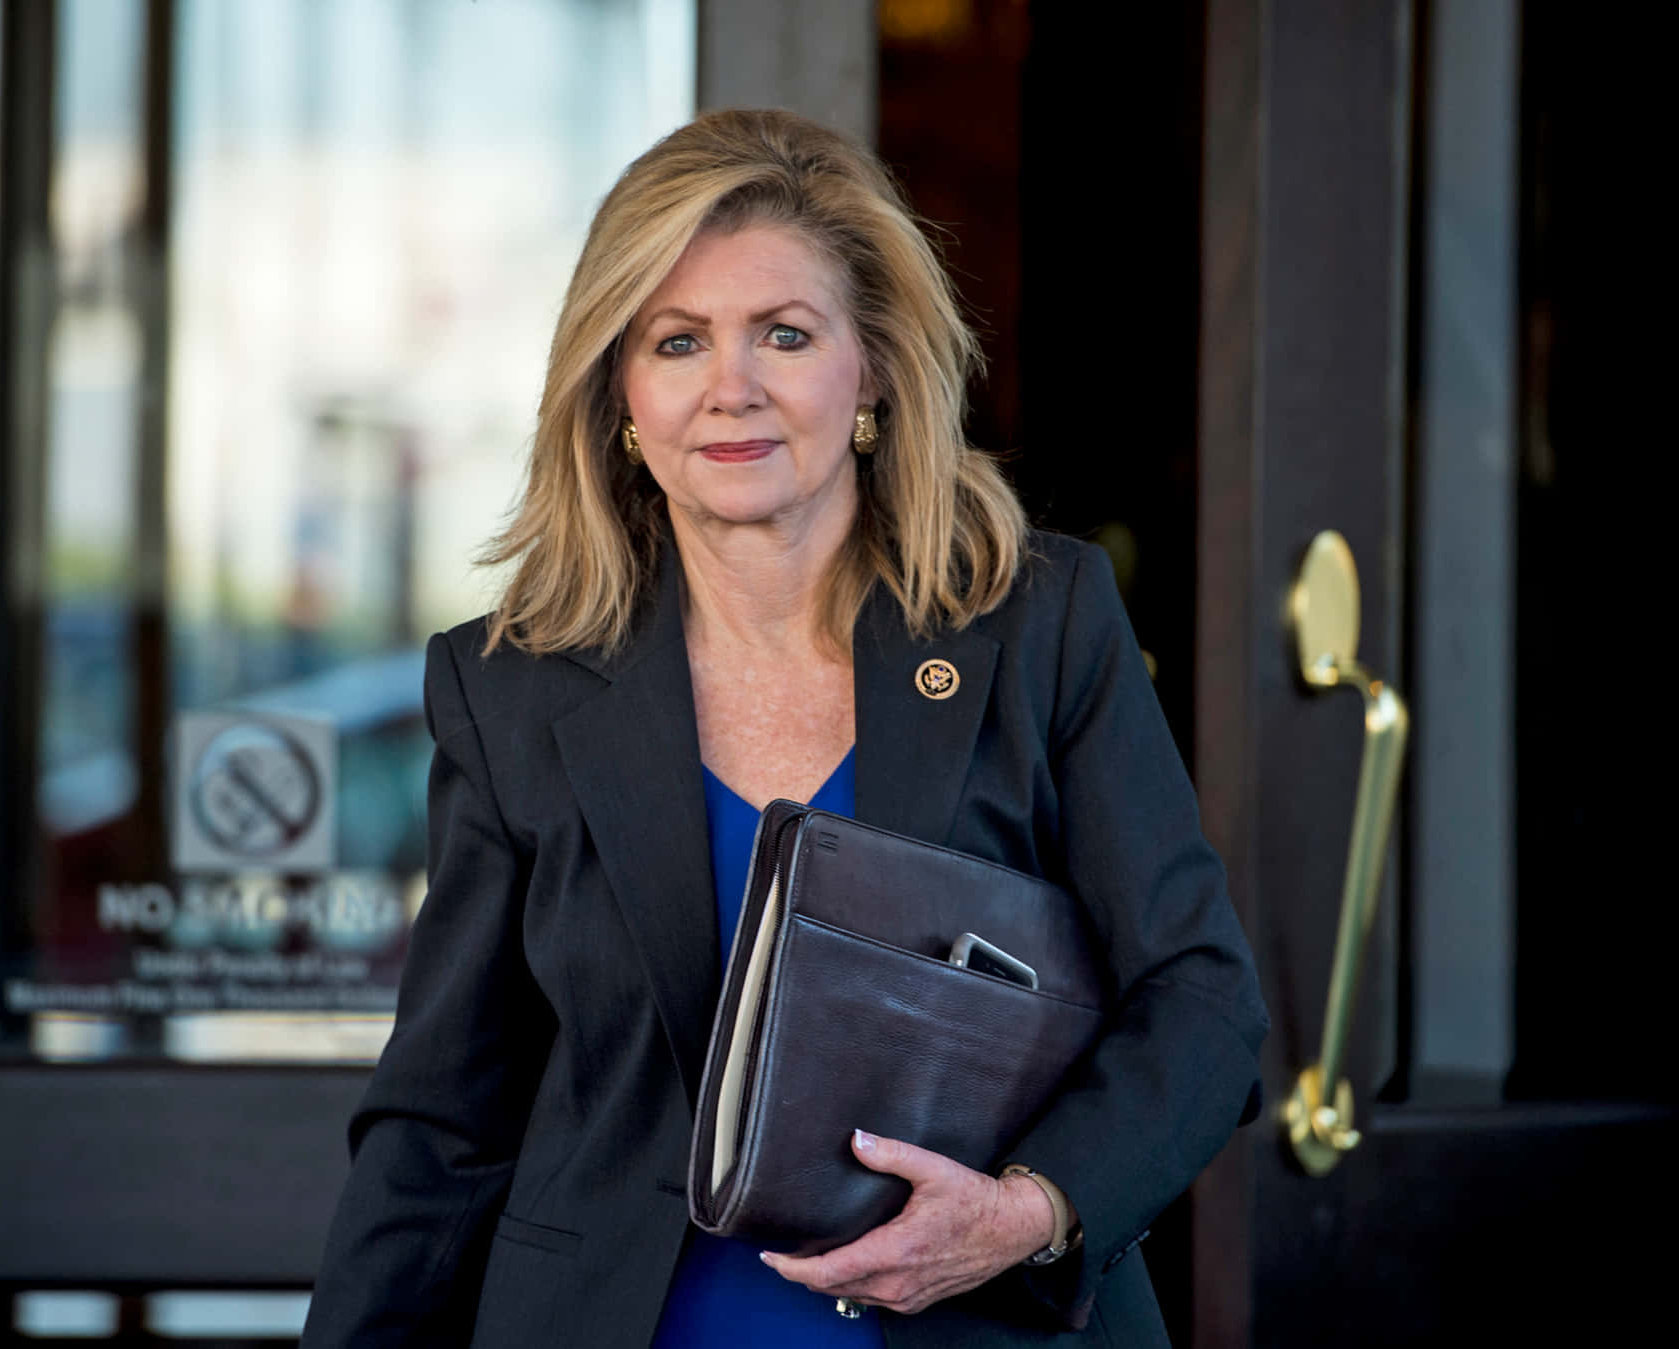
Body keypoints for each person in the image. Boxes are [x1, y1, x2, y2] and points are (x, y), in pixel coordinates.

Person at [302, 108, 1268, 1349]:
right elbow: (443, 1122)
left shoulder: (1040, 624)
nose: (732, 387)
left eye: (785, 334)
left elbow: (1200, 996)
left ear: (872, 368)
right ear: (620, 394)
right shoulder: (512, 690)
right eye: (678, 340)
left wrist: (1029, 1210)